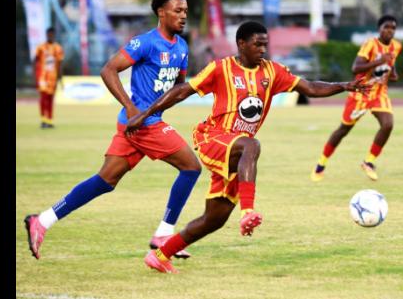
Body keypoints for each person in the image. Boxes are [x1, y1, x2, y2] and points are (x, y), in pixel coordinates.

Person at [124, 21, 369, 273]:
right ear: (241, 44)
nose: (263, 49)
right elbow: (181, 91)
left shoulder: (273, 72)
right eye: (257, 44)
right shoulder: (221, 68)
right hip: (213, 138)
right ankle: (248, 211)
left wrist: (343, 86)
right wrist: (145, 115)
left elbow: (310, 87)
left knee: (214, 219)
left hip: (237, 152)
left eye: (265, 44)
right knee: (251, 144)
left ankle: (161, 255)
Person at [24, 0, 201, 260]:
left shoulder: (182, 47)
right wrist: (132, 108)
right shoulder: (145, 43)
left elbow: (176, 88)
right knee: (191, 168)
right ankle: (165, 232)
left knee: (104, 181)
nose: (183, 16)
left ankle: (43, 220)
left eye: (186, 11)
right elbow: (108, 69)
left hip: (142, 123)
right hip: (142, 124)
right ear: (161, 12)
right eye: (177, 11)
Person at [310, 15, 402, 182]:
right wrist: (379, 61)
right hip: (360, 92)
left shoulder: (396, 46)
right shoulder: (370, 44)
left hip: (379, 93)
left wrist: (392, 72)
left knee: (388, 124)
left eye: (393, 28)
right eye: (386, 27)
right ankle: (321, 164)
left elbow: (391, 63)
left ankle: (369, 162)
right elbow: (356, 67)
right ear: (379, 29)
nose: (389, 30)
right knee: (343, 130)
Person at [34, 27, 64, 129]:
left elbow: (59, 64)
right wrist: (35, 75)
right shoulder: (40, 47)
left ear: (54, 35)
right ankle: (43, 120)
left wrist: (60, 78)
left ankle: (49, 120)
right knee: (43, 98)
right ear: (46, 34)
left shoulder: (58, 48)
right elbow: (35, 61)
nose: (50, 36)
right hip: (42, 77)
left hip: (53, 78)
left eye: (52, 34)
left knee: (51, 99)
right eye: (49, 34)